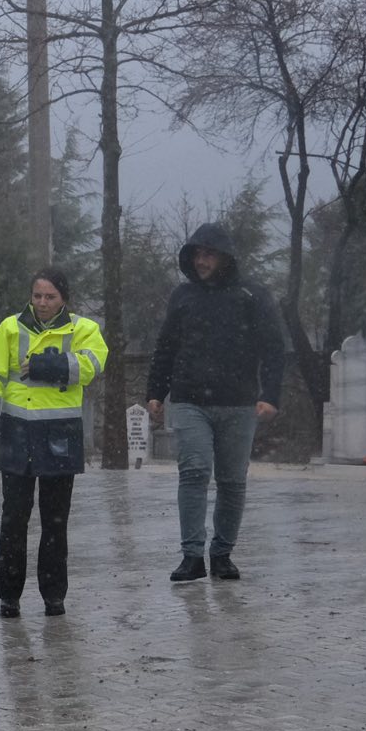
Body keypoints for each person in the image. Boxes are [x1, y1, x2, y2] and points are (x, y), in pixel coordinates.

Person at [145, 222, 286, 583]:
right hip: (189, 400)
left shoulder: (252, 295)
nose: (201, 261)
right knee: (194, 471)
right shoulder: (183, 296)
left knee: (232, 480)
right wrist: (155, 393)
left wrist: (270, 395)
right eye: (197, 253)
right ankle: (192, 556)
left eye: (208, 254)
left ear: (225, 257)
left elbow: (273, 348)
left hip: (239, 402)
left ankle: (222, 554)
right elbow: (166, 347)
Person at [0, 269, 108, 618]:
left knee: (55, 523)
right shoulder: (9, 328)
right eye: (37, 296)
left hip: (59, 435)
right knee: (13, 521)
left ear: (64, 298)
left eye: (50, 297)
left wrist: (45, 365)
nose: (43, 303)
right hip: (16, 433)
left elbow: (92, 365)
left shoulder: (83, 329)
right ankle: (9, 597)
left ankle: (54, 596)